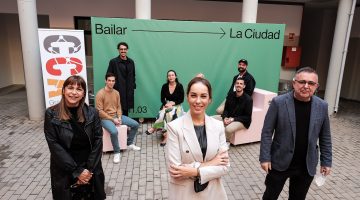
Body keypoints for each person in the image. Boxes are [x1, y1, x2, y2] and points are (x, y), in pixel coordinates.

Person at [259, 67, 332, 200]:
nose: (306, 86)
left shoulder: (322, 106)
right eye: (302, 82)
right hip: (279, 161)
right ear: (294, 83)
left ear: (317, 86)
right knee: (270, 195)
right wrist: (265, 157)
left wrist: (326, 161)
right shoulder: (279, 102)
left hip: (306, 164)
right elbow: (267, 132)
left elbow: (325, 136)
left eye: (311, 83)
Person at [167, 77, 230, 199]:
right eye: (194, 95)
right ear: (187, 97)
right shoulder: (174, 127)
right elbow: (176, 170)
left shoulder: (218, 126)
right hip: (185, 194)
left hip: (213, 192)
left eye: (203, 96)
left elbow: (224, 167)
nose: (198, 101)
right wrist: (212, 163)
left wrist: (193, 171)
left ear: (210, 99)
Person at [44, 75, 106, 200]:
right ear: (63, 90)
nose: (74, 92)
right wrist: (77, 171)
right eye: (70, 88)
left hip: (90, 169)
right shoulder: (51, 114)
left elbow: (98, 140)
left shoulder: (92, 113)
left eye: (79, 89)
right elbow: (54, 145)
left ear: (83, 94)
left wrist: (87, 171)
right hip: (65, 169)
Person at [96, 73, 140, 164]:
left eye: (113, 81)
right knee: (114, 131)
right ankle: (117, 152)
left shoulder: (116, 93)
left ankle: (129, 143)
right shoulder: (100, 94)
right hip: (105, 118)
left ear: (115, 81)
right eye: (109, 80)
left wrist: (119, 117)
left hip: (116, 116)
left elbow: (119, 107)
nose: (111, 82)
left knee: (135, 124)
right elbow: (99, 111)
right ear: (105, 81)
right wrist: (113, 120)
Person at [145, 70, 184, 146]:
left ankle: (155, 129)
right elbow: (162, 99)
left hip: (177, 106)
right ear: (167, 77)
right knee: (163, 113)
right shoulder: (164, 86)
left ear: (175, 76)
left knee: (168, 115)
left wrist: (173, 103)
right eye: (169, 75)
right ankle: (165, 135)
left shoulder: (179, 86)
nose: (171, 77)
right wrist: (166, 104)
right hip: (166, 105)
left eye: (172, 75)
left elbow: (181, 99)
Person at [214, 77, 253, 142]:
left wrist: (233, 119)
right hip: (229, 117)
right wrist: (225, 117)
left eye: (241, 84)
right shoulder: (230, 95)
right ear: (235, 85)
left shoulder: (248, 99)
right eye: (237, 83)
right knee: (211, 119)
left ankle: (226, 143)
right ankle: (215, 139)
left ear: (244, 86)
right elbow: (226, 109)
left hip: (241, 121)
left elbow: (247, 117)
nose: (239, 85)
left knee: (228, 129)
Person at [107, 41, 136, 116]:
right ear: (118, 50)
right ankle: (119, 125)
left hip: (129, 89)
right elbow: (109, 75)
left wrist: (132, 85)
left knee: (126, 109)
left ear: (127, 50)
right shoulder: (113, 62)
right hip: (118, 89)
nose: (123, 51)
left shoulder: (131, 62)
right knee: (118, 108)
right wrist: (113, 86)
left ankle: (125, 126)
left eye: (125, 49)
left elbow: (133, 75)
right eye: (121, 49)